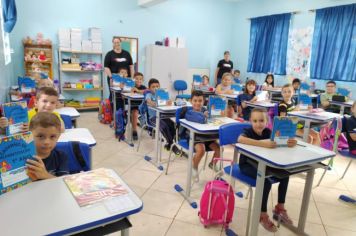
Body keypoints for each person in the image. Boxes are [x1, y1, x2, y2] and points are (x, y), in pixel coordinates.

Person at [238, 108, 296, 232]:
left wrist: (289, 142)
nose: (258, 124)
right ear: (250, 121)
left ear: (267, 121)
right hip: (247, 165)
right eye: (255, 121)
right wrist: (262, 144)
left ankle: (279, 208)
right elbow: (240, 140)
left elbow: (278, 142)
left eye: (261, 120)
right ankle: (262, 214)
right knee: (266, 182)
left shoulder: (269, 131)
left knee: (285, 174)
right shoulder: (247, 131)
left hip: (264, 164)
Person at [183, 90, 220, 182]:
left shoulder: (205, 110)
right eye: (195, 101)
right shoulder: (189, 112)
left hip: (207, 137)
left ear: (204, 102)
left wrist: (214, 111)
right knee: (201, 150)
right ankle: (194, 167)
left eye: (200, 101)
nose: (197, 103)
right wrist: (205, 115)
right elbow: (200, 119)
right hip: (195, 137)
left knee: (219, 149)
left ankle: (212, 164)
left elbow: (214, 118)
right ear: (191, 101)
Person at [26, 112, 69, 180]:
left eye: (52, 136)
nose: (46, 142)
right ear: (30, 136)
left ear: (58, 137)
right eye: (40, 136)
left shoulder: (61, 157)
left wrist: (45, 175)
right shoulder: (24, 158)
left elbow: (64, 182)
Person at [145, 78, 179, 154]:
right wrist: (160, 102)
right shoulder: (149, 95)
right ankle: (172, 145)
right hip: (153, 118)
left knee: (173, 125)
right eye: (153, 87)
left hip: (163, 116)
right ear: (149, 88)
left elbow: (169, 102)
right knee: (164, 126)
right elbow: (150, 102)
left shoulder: (163, 94)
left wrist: (169, 102)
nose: (155, 88)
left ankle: (169, 143)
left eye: (157, 86)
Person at [104, 37, 134, 105]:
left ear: (121, 43)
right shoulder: (109, 54)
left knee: (126, 94)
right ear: (113, 44)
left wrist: (132, 78)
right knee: (114, 95)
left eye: (118, 42)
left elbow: (131, 67)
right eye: (115, 42)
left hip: (126, 78)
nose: (117, 44)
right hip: (114, 78)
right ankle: (112, 112)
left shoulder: (127, 53)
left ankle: (125, 112)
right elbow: (106, 68)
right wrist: (111, 77)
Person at [131, 72, 147, 140]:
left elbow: (147, 91)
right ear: (133, 79)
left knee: (151, 110)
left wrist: (137, 91)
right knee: (135, 112)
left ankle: (150, 128)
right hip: (133, 105)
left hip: (142, 106)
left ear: (142, 80)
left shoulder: (143, 87)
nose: (138, 80)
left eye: (140, 79)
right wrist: (131, 90)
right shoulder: (131, 86)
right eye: (136, 79)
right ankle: (134, 130)